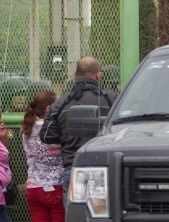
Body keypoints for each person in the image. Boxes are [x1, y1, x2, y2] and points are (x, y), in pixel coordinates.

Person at [41, 57, 118, 188]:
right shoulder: (113, 100)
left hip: (74, 168)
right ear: (99, 76)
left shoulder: (60, 104)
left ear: (76, 76)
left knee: (75, 208)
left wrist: (68, 136)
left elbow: (46, 136)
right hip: (106, 168)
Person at [22, 90, 65, 222]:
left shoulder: (27, 128)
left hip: (34, 188)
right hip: (56, 187)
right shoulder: (56, 128)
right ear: (49, 109)